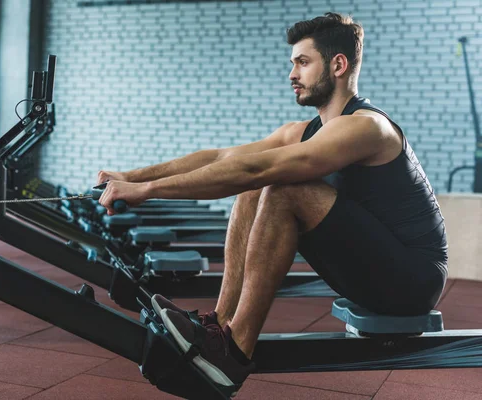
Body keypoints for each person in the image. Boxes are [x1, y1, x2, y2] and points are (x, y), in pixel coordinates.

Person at [97, 12, 448, 395]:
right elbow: (221, 159)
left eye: (302, 62)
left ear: (338, 65)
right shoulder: (303, 132)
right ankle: (220, 324)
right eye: (292, 63)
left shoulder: (367, 127)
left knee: (281, 187)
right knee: (254, 183)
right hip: (375, 269)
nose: (291, 74)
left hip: (414, 280)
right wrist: (132, 177)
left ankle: (232, 354)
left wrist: (147, 192)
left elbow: (256, 169)